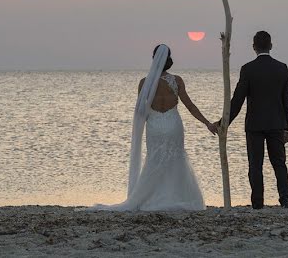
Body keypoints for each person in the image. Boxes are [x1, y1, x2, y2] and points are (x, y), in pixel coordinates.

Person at [90, 44, 217, 211]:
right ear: (169, 60)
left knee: (154, 159)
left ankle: (152, 197)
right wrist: (207, 123)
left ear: (154, 59)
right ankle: (176, 197)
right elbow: (190, 106)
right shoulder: (176, 81)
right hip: (173, 125)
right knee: (175, 160)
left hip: (154, 126)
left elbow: (140, 112)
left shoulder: (144, 83)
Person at [219, 31, 288, 209]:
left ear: (254, 47)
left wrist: (224, 122)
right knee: (279, 163)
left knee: (255, 164)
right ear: (271, 46)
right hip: (276, 123)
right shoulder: (282, 68)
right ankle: (285, 200)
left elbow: (237, 99)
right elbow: (287, 101)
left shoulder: (248, 69)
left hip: (255, 125)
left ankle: (257, 203)